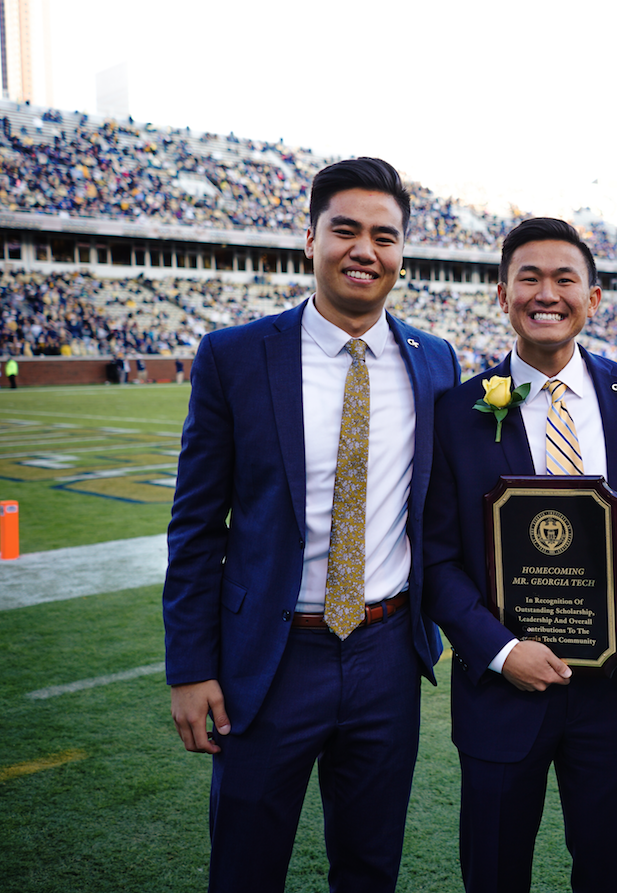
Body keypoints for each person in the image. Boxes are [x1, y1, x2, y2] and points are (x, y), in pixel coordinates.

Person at [163, 157, 460, 892]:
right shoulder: (234, 355)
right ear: (310, 238)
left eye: (385, 236)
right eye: (346, 230)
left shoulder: (436, 361)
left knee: (368, 864)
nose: (366, 249)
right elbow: (196, 525)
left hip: (388, 650)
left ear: (402, 252)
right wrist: (191, 667)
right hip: (270, 653)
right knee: (245, 862)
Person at [423, 218, 617, 893]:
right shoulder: (455, 410)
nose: (546, 293)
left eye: (565, 278)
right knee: (494, 872)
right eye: (529, 277)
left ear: (595, 295)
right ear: (502, 294)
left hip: (613, 689)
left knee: (608, 869)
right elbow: (436, 558)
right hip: (502, 687)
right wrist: (500, 650)